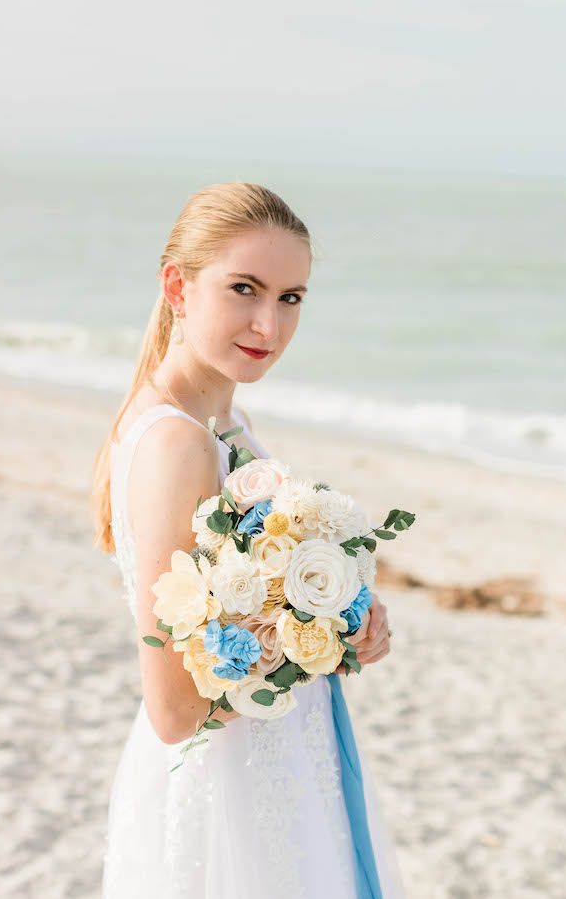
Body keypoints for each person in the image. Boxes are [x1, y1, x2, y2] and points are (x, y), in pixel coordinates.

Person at [91, 182, 406, 898]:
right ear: (178, 285)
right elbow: (175, 709)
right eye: (245, 289)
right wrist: (304, 647)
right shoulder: (178, 443)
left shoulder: (221, 421)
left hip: (276, 766)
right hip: (228, 792)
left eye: (291, 297)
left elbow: (242, 607)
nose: (269, 323)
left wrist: (342, 616)